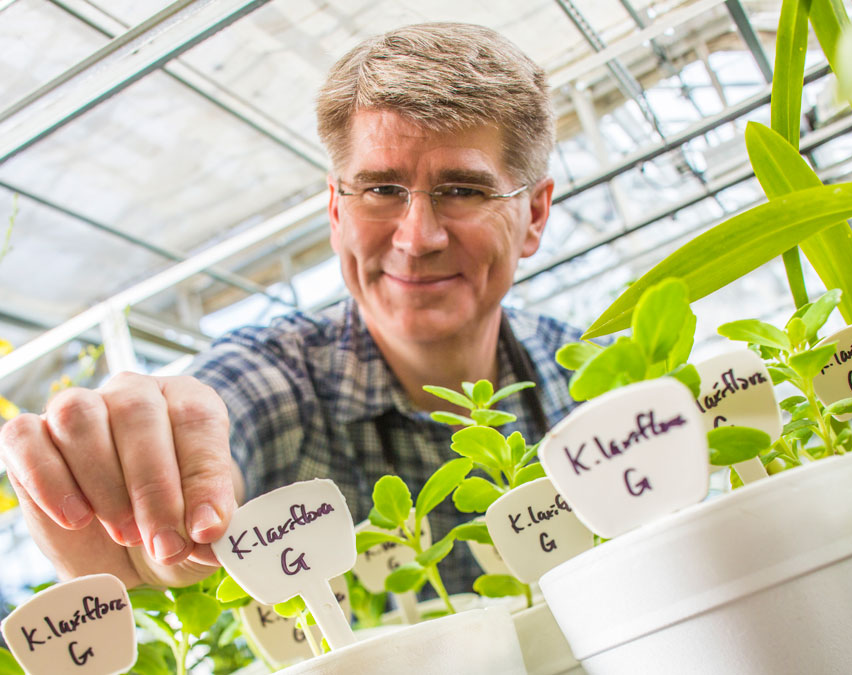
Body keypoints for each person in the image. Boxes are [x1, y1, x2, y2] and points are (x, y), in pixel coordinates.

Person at [0, 22, 582, 593]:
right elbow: (217, 422)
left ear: (534, 214)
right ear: (335, 211)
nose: (417, 237)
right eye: (381, 190)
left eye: (463, 190)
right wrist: (154, 502)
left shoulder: (589, 376)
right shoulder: (281, 378)